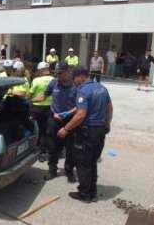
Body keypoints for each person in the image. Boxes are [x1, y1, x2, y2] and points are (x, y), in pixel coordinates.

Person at [58, 66, 113, 203]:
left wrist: (66, 128)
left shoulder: (83, 90)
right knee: (92, 162)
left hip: (87, 132)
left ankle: (84, 194)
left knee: (83, 163)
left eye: (75, 78)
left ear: (81, 76)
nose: (74, 82)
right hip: (100, 130)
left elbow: (81, 115)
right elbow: (110, 107)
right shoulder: (101, 88)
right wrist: (107, 123)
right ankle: (92, 192)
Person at [33, 62, 77, 182]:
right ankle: (52, 170)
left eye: (60, 73)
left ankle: (69, 171)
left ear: (67, 71)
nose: (57, 75)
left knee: (71, 148)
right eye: (56, 73)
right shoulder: (54, 83)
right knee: (53, 146)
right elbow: (44, 96)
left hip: (70, 120)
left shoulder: (76, 85)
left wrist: (69, 113)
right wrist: (30, 99)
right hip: (55, 118)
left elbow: (80, 105)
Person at [29, 62, 54, 162]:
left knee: (38, 130)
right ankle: (48, 151)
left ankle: (40, 151)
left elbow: (30, 94)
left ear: (40, 70)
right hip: (51, 108)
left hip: (37, 108)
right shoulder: (53, 80)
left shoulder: (36, 80)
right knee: (48, 130)